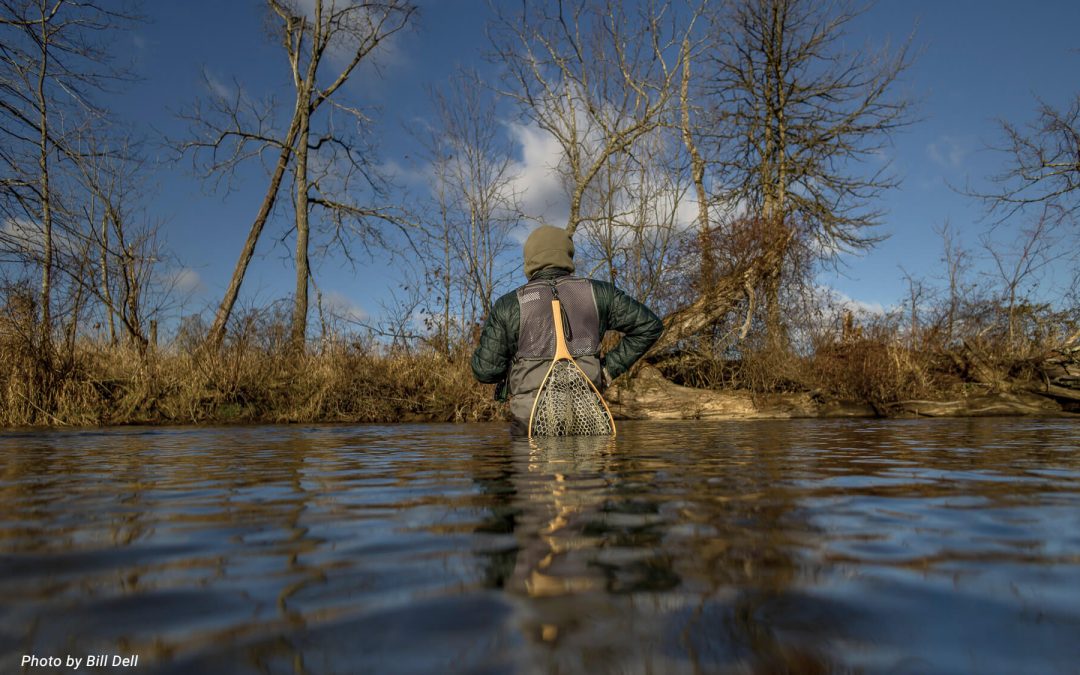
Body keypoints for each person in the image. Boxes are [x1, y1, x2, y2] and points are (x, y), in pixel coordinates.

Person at [471, 225, 664, 434]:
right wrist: (607, 370)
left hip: (531, 425)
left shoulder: (508, 305)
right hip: (589, 420)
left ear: (529, 260)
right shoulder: (600, 293)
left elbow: (486, 371)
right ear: (567, 255)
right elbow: (650, 326)